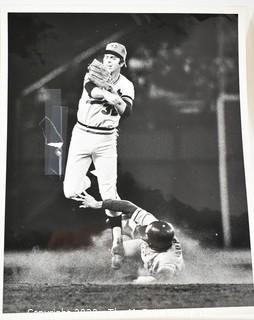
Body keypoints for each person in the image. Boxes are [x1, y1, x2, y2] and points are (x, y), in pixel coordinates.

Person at [63, 42, 135, 233]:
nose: (108, 60)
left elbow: (126, 111)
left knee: (109, 195)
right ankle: (89, 179)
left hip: (106, 140)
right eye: (107, 57)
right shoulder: (93, 75)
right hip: (82, 135)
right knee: (70, 192)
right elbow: (91, 90)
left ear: (122, 63)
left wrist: (116, 98)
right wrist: (106, 93)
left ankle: (117, 241)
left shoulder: (126, 85)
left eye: (113, 58)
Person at [74, 192, 184, 282]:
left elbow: (162, 279)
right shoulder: (154, 224)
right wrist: (98, 204)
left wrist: (133, 280)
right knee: (118, 248)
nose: (144, 236)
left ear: (153, 244)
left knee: (145, 279)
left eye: (146, 237)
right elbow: (128, 207)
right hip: (152, 250)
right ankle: (123, 225)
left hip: (156, 269)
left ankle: (134, 268)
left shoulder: (167, 260)